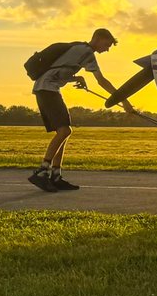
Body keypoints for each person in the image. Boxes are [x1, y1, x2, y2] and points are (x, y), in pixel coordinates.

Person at [29, 28, 135, 192]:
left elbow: (59, 70)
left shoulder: (79, 49)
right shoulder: (86, 52)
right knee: (64, 131)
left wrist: (76, 77)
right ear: (98, 39)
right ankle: (42, 172)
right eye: (106, 45)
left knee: (63, 132)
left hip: (48, 88)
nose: (106, 50)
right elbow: (102, 81)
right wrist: (125, 101)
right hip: (47, 89)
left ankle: (55, 176)